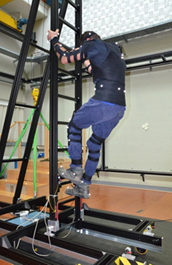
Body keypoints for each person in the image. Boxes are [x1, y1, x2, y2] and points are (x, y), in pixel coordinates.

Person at [47, 29, 126, 199]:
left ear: (85, 42)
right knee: (94, 143)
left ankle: (75, 169)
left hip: (103, 102)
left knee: (74, 127)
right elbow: (94, 69)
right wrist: (85, 59)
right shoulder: (113, 50)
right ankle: (84, 185)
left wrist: (54, 40)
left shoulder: (92, 45)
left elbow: (65, 58)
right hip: (119, 108)